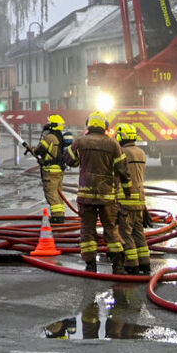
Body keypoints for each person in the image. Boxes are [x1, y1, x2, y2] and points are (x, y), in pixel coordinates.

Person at [72, 112, 126, 273]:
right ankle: (118, 265)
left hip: (86, 195)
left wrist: (71, 146)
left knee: (87, 230)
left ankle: (90, 265)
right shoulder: (113, 144)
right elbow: (122, 169)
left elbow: (71, 161)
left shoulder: (80, 141)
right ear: (105, 126)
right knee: (111, 229)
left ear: (89, 125)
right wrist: (128, 191)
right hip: (107, 196)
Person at [115, 122, 150, 275]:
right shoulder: (141, 152)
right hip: (140, 199)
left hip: (126, 198)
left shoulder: (122, 153)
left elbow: (117, 175)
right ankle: (145, 263)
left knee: (125, 233)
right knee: (138, 232)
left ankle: (131, 264)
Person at [36, 114, 74, 224]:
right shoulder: (60, 137)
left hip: (50, 170)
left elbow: (39, 150)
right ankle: (60, 215)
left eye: (49, 122)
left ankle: (57, 217)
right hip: (59, 170)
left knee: (51, 193)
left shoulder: (49, 137)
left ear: (53, 124)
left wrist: (32, 149)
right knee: (58, 193)